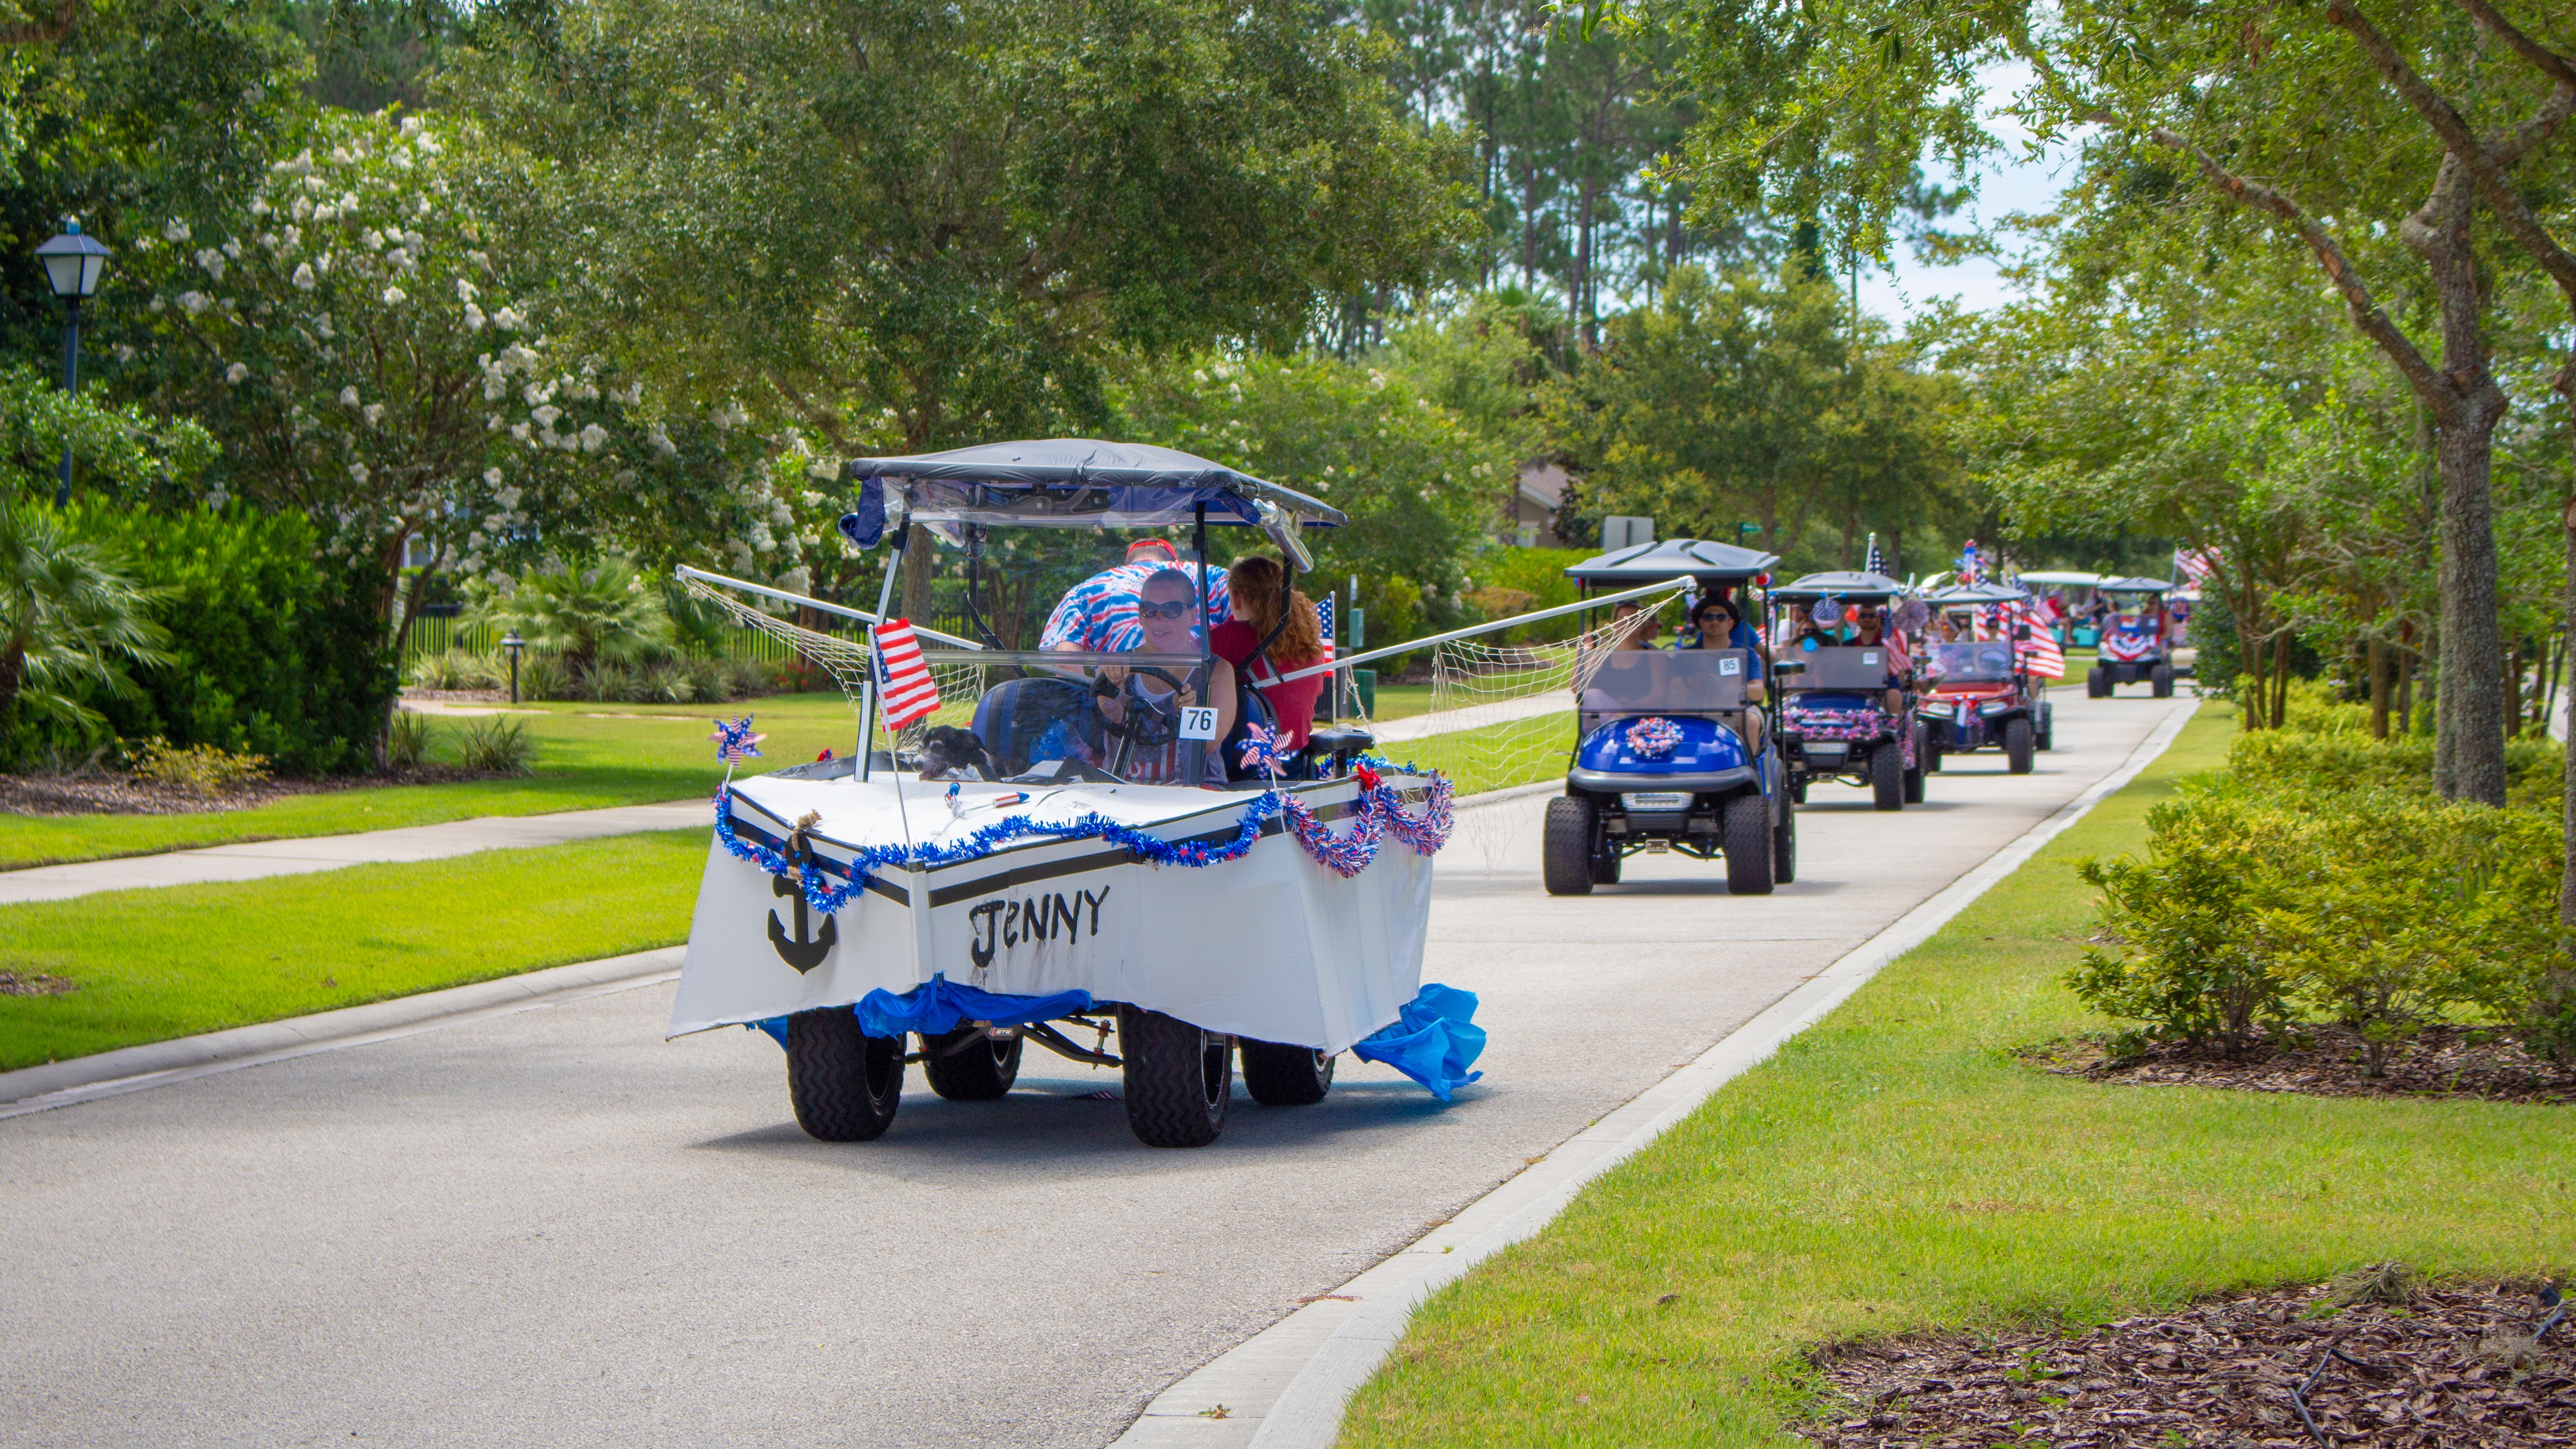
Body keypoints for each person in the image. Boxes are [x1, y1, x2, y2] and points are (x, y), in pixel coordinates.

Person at [1096, 568, 1237, 786]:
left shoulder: (1216, 671)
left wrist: (1189, 713)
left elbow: (1209, 744)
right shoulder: (1116, 667)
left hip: (1196, 793)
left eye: (1171, 609)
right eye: (1149, 610)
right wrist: (1110, 702)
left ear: (1192, 615)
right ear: (1140, 616)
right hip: (1123, 791)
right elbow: (1110, 724)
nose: (1158, 618)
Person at [1208, 555, 1327, 754]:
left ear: (1237, 598)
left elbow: (1186, 667)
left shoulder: (1229, 638)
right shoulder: (1311, 643)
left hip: (1247, 762)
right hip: (1296, 762)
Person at [1039, 538, 1232, 654]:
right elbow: (1249, 628)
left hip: (1123, 712)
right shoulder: (1212, 578)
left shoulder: (1086, 590)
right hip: (1198, 704)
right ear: (1171, 562)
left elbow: (1066, 660)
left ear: (1127, 564)